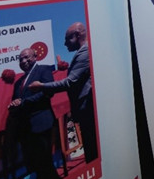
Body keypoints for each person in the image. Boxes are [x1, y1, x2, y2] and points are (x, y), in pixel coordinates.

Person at [30, 22, 98, 163]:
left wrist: (42, 86)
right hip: (83, 109)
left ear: (77, 35)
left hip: (87, 109)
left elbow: (69, 82)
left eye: (68, 39)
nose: (65, 43)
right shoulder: (82, 53)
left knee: (93, 152)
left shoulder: (85, 52)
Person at [8, 48, 59, 179]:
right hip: (26, 130)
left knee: (46, 165)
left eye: (26, 57)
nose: (23, 61)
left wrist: (23, 102)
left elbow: (48, 92)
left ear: (35, 57)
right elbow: (16, 101)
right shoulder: (18, 83)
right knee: (36, 167)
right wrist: (13, 105)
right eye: (21, 59)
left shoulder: (44, 70)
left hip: (41, 125)